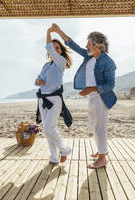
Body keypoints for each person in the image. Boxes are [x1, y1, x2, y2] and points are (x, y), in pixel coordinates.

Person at [52, 23, 117, 169]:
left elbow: (110, 84)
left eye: (89, 43)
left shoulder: (108, 62)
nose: (86, 46)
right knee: (94, 125)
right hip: (92, 97)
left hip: (101, 97)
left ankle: (102, 159)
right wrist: (59, 32)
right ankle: (101, 151)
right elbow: (72, 45)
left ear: (97, 45)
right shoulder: (89, 57)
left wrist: (91, 88)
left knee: (100, 128)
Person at [35, 25, 72, 165]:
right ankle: (54, 157)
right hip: (42, 100)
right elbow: (39, 80)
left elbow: (49, 47)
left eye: (58, 48)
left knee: (48, 128)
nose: (55, 50)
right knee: (48, 131)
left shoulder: (61, 62)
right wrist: (39, 81)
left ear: (61, 52)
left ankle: (64, 149)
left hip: (55, 100)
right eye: (54, 48)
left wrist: (48, 32)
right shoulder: (46, 66)